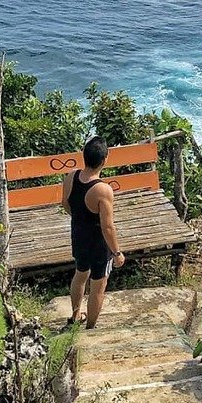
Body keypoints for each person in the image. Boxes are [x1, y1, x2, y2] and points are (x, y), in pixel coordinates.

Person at [61, 136, 125, 329]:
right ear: (105, 160)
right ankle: (90, 327)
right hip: (98, 245)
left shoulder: (71, 176)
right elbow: (107, 227)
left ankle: (75, 316)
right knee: (98, 285)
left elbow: (65, 203)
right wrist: (117, 253)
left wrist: (81, 219)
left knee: (80, 274)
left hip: (79, 236)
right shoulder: (103, 190)